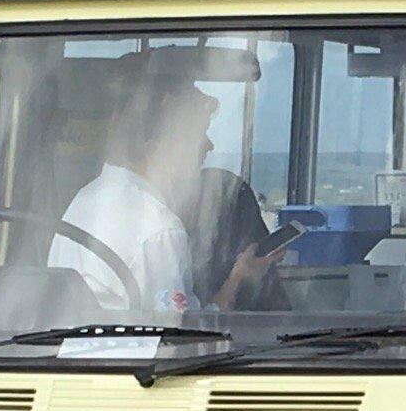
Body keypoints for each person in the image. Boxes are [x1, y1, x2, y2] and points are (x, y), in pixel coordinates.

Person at [51, 72, 281, 314]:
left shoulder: (84, 200)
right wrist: (237, 279)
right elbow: (182, 337)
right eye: (196, 135)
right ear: (157, 146)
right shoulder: (159, 228)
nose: (209, 145)